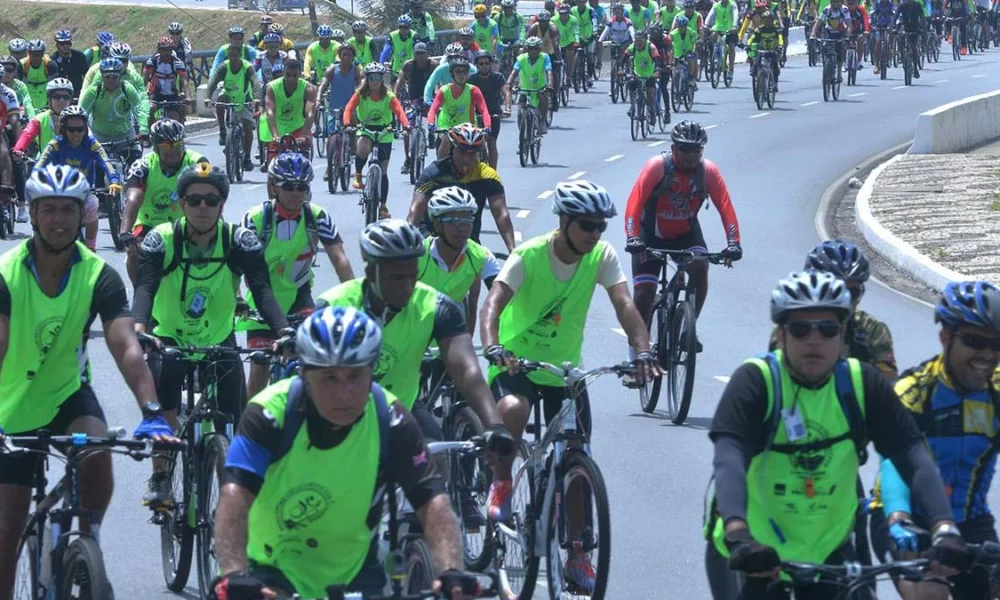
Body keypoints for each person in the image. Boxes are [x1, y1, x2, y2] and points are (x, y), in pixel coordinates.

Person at [703, 270, 969, 600]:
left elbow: (911, 453)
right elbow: (729, 458)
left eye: (827, 329)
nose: (814, 340)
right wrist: (737, 532)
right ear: (781, 334)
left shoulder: (861, 384)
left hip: (827, 549)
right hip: (752, 550)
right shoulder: (757, 381)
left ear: (843, 334)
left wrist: (943, 526)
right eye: (800, 329)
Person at [212, 306, 480, 600]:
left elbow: (432, 500)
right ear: (304, 375)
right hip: (271, 569)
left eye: (355, 376)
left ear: (372, 372)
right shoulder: (268, 414)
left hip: (355, 573)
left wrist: (452, 569)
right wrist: (234, 573)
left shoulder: (391, 419)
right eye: (329, 378)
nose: (344, 393)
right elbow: (235, 497)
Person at [480, 180, 659, 593]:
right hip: (517, 361)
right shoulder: (529, 256)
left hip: (564, 371)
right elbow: (493, 303)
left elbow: (625, 305)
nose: (595, 234)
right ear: (564, 222)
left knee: (578, 457)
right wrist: (492, 347)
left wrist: (643, 350)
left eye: (600, 227)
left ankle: (578, 553)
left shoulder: (601, 256)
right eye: (587, 226)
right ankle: (502, 482)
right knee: (513, 411)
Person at [0, 165, 162, 600]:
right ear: (32, 214)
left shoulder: (99, 275)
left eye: (68, 210)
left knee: (98, 455)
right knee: (6, 535)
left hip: (68, 394)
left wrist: (151, 412)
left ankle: (84, 542)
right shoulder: (6, 274)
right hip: (9, 409)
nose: (58, 220)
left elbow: (126, 344)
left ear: (82, 214)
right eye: (48, 209)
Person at [313, 221, 512, 517]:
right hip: (340, 415)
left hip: (402, 408)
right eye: (396, 277)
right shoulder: (334, 306)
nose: (407, 286)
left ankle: (420, 549)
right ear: (371, 272)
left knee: (436, 465)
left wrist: (494, 424)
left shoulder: (436, 307)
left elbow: (467, 369)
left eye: (412, 275)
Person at [131, 162, 290, 505]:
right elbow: (145, 288)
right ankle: (160, 476)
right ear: (182, 202)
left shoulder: (240, 241)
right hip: (169, 336)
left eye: (211, 200)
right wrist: (140, 328)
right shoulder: (161, 240)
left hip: (218, 339)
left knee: (235, 416)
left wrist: (283, 330)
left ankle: (233, 488)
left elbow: (261, 291)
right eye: (194, 200)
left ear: (222, 204)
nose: (202, 207)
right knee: (165, 400)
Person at [867, 281, 1000, 600]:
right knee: (930, 595)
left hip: (970, 519)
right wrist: (899, 518)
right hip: (906, 517)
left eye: (996, 345)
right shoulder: (915, 391)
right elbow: (896, 464)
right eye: (973, 341)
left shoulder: (996, 392)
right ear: (945, 337)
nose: (986, 355)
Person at [239, 152, 354, 400]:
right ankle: (247, 425)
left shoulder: (317, 216)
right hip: (261, 301)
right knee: (260, 365)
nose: (296, 192)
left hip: (299, 297)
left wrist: (356, 297)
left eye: (302, 187)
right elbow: (236, 264)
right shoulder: (256, 218)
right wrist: (237, 297)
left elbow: (340, 259)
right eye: (288, 186)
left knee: (310, 363)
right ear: (273, 188)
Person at [624, 121, 741, 356]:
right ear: (673, 148)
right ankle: (636, 358)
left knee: (700, 265)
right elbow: (634, 205)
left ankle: (688, 328)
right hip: (650, 236)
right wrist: (633, 238)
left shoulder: (708, 172)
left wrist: (733, 243)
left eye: (696, 151)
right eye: (685, 150)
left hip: (686, 234)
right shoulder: (657, 167)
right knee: (644, 294)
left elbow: (726, 206)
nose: (691, 156)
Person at [768, 240, 896, 379]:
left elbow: (889, 385)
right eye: (835, 292)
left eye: (851, 292)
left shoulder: (873, 331)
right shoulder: (790, 330)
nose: (845, 301)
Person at [119, 119, 208, 286]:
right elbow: (133, 197)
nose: (173, 151)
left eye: (177, 145)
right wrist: (125, 232)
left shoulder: (198, 162)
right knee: (133, 252)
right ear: (156, 147)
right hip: (149, 223)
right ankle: (140, 294)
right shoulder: (143, 166)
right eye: (166, 147)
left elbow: (210, 194)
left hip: (186, 224)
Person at [408, 124, 515, 253]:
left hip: (468, 240)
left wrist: (513, 250)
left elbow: (501, 214)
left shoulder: (488, 175)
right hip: (433, 237)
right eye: (462, 152)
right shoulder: (434, 173)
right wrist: (406, 246)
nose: (467, 159)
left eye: (472, 154)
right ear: (452, 151)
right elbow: (415, 212)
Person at [418, 186, 503, 334]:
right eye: (454, 221)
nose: (463, 228)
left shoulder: (480, 255)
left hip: (451, 343)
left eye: (467, 220)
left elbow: (501, 297)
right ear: (438, 225)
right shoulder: (417, 254)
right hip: (412, 339)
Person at [34, 105, 119, 251]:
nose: (76, 134)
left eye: (80, 129)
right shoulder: (55, 145)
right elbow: (39, 165)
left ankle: (91, 248)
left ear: (86, 129)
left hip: (84, 192)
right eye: (71, 129)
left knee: (92, 205)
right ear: (63, 129)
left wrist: (114, 181)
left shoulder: (91, 144)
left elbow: (106, 162)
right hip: (58, 193)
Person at [342, 63, 409, 217]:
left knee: (384, 171)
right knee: (363, 148)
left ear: (381, 79)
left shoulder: (389, 96)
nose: (375, 81)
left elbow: (399, 111)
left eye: (378, 78)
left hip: (385, 131)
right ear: (367, 79)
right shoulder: (360, 94)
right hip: (366, 129)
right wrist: (347, 123)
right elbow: (348, 108)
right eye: (371, 78)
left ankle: (383, 206)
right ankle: (358, 174)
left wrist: (406, 126)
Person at [12, 78, 73, 208]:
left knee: (89, 206)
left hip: (74, 166)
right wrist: (19, 149)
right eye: (57, 97)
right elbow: (26, 135)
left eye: (65, 97)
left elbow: (89, 137)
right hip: (45, 167)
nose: (61, 101)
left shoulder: (78, 118)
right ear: (49, 99)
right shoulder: (39, 119)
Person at [78, 57, 147, 170]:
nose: (111, 80)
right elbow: (82, 113)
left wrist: (143, 129)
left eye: (115, 77)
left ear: (120, 76)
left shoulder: (127, 88)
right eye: (107, 77)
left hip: (125, 135)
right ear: (102, 76)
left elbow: (139, 110)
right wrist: (81, 133)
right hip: (100, 136)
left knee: (137, 165)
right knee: (96, 169)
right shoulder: (94, 90)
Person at [204, 43, 261, 172]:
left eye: (235, 56)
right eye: (230, 56)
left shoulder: (247, 67)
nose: (233, 59)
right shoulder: (224, 67)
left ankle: (246, 157)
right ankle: (223, 130)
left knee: (247, 126)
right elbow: (213, 81)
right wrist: (208, 97)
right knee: (220, 100)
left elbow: (255, 82)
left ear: (240, 56)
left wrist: (257, 98)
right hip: (228, 94)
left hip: (244, 97)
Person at [428, 57, 492, 159]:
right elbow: (433, 109)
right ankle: (440, 168)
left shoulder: (474, 90)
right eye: (458, 72)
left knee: (478, 152)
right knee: (445, 141)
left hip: (468, 130)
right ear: (452, 74)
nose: (461, 75)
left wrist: (487, 126)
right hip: (448, 129)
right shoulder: (444, 90)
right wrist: (431, 123)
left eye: (464, 72)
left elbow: (484, 110)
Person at [318, 43, 363, 180]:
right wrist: (318, 98)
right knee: (331, 137)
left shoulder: (356, 70)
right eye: (344, 54)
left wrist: (359, 90)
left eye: (349, 55)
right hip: (333, 108)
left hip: (350, 107)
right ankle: (329, 168)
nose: (346, 57)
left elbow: (363, 81)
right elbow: (323, 85)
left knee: (352, 127)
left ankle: (353, 146)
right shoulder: (332, 70)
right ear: (339, 55)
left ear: (353, 57)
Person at [262, 58, 316, 171]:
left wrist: (304, 134)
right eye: (288, 75)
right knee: (272, 167)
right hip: (278, 129)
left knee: (304, 156)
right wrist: (275, 135)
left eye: (295, 75)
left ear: (300, 74)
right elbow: (270, 112)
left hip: (298, 128)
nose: (291, 79)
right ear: (283, 73)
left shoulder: (309, 88)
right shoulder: (272, 87)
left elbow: (310, 113)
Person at [394, 42, 438, 174]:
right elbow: (399, 82)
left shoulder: (433, 65)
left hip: (429, 97)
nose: (420, 56)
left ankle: (431, 134)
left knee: (435, 115)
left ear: (427, 54)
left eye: (422, 53)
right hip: (413, 99)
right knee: (408, 129)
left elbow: (439, 82)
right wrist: (394, 97)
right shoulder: (408, 65)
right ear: (414, 54)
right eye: (417, 53)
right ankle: (408, 159)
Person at [470, 50, 510, 169]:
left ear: (491, 64)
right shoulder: (472, 79)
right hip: (477, 115)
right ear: (477, 65)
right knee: (473, 144)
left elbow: (506, 93)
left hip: (494, 114)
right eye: (481, 64)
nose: (484, 66)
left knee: (491, 143)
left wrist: (507, 109)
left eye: (487, 63)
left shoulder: (498, 77)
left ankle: (493, 173)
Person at [506, 36, 553, 135]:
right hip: (524, 89)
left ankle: (542, 121)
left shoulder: (544, 57)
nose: (533, 51)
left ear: (540, 49)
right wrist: (508, 83)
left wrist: (549, 85)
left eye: (536, 48)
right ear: (527, 49)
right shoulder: (521, 58)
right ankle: (522, 138)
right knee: (520, 113)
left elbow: (549, 72)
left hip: (540, 89)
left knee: (544, 98)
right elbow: (514, 72)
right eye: (530, 48)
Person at [144, 37, 193, 127]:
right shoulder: (152, 61)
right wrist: (144, 94)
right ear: (159, 50)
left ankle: (181, 127)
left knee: (180, 110)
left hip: (171, 94)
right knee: (150, 109)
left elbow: (185, 81)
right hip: (156, 93)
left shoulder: (177, 63)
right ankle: (151, 129)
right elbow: (145, 79)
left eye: (169, 50)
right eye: (163, 50)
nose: (166, 53)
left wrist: (188, 97)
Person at [526, 11, 563, 111]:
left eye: (545, 21)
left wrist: (559, 59)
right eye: (541, 21)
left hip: (550, 54)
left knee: (554, 75)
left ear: (548, 21)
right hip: (535, 54)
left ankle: (554, 97)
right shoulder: (534, 28)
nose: (543, 24)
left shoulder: (553, 29)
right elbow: (527, 43)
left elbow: (555, 45)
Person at [624, 31, 661, 126]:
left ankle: (652, 112)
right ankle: (632, 106)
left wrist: (656, 72)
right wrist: (621, 70)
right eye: (636, 40)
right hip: (637, 74)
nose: (638, 43)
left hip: (649, 75)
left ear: (645, 40)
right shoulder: (633, 47)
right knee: (631, 85)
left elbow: (657, 61)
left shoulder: (651, 48)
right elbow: (623, 58)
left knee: (650, 95)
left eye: (640, 40)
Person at [811, 0, 851, 80]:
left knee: (839, 51)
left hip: (840, 32)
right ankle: (827, 66)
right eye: (834, 2)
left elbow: (849, 24)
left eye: (838, 2)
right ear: (831, 2)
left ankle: (839, 73)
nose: (836, 4)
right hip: (829, 32)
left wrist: (847, 36)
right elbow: (818, 23)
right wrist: (813, 34)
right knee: (825, 48)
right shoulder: (827, 10)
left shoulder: (844, 9)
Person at [50, 30, 89, 98]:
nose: (65, 46)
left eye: (68, 43)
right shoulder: (54, 59)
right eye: (62, 44)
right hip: (62, 95)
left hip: (78, 93)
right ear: (57, 45)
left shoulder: (79, 56)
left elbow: (87, 75)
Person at [706, 0, 739, 80]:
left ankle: (731, 70)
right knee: (713, 36)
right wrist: (706, 24)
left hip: (730, 29)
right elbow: (710, 15)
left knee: (731, 47)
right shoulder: (716, 5)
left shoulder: (732, 4)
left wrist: (734, 26)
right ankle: (715, 57)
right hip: (718, 28)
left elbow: (736, 15)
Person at [21, 39, 56, 113]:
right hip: (28, 101)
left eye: (38, 55)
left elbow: (52, 87)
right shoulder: (22, 65)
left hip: (45, 100)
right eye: (32, 55)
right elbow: (19, 86)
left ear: (43, 54)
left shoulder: (50, 65)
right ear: (28, 53)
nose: (35, 58)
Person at [380, 15, 417, 83]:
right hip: (396, 69)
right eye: (401, 27)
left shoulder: (415, 36)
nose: (403, 29)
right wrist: (381, 64)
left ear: (410, 27)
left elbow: (418, 51)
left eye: (406, 27)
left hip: (410, 68)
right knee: (395, 91)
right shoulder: (392, 36)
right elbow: (385, 52)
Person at [895, 0, 926, 78]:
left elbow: (922, 17)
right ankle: (902, 57)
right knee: (900, 39)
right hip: (905, 26)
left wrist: (922, 28)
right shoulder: (902, 6)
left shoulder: (918, 5)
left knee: (913, 46)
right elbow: (895, 17)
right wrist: (893, 28)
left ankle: (915, 68)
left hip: (915, 27)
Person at [670, 15, 700, 92]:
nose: (682, 28)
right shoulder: (673, 34)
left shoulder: (691, 32)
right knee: (676, 74)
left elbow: (694, 42)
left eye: (683, 26)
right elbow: (670, 46)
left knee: (691, 60)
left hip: (688, 51)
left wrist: (693, 51)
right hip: (677, 54)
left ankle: (691, 78)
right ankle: (677, 92)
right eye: (680, 26)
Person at [555, 4, 581, 92]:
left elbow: (576, 31)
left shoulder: (573, 20)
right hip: (557, 43)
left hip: (569, 42)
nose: (563, 16)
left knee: (570, 58)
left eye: (565, 13)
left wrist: (577, 41)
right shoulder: (554, 20)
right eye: (561, 14)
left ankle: (569, 77)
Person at [0, 56, 33, 120]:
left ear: (15, 72)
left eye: (9, 70)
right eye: (3, 70)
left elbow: (28, 104)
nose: (6, 73)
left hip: (15, 117)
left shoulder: (20, 86)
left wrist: (32, 119)